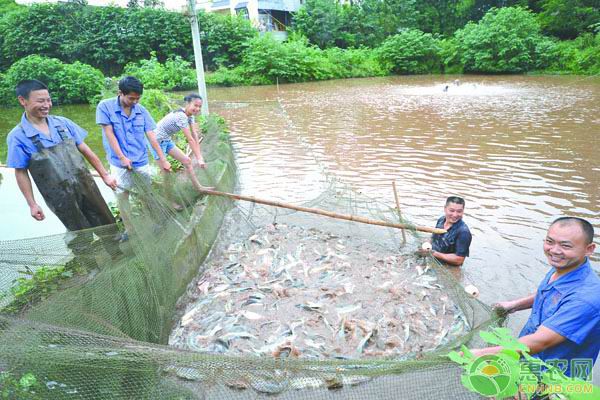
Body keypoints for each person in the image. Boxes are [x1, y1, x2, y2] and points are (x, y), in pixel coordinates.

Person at [471, 217, 599, 380]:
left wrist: (480, 354)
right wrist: (514, 305)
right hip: (529, 360)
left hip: (555, 377)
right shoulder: (563, 267)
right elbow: (549, 294)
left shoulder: (586, 298)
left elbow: (540, 342)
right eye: (550, 242)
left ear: (589, 249)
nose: (554, 250)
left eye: (565, 245)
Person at [6, 79, 117, 232]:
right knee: (79, 233)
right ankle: (88, 255)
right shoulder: (17, 136)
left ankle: (117, 253)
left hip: (86, 186)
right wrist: (32, 204)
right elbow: (20, 171)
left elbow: (86, 150)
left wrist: (105, 175)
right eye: (40, 101)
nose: (46, 105)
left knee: (106, 223)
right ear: (22, 100)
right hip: (59, 196)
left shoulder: (63, 124)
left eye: (48, 100)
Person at [96, 76, 171, 237]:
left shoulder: (141, 111)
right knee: (123, 196)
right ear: (120, 93)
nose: (135, 102)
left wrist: (163, 159)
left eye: (138, 98)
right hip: (118, 163)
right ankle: (129, 230)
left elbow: (152, 136)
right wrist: (122, 157)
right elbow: (109, 134)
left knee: (146, 192)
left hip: (141, 160)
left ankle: (155, 223)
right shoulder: (105, 107)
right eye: (131, 98)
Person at [152, 94, 212, 198]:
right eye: (195, 105)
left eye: (199, 107)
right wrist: (199, 158)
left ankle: (199, 188)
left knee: (187, 161)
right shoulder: (181, 116)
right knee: (166, 173)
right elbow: (190, 139)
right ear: (188, 103)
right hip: (157, 142)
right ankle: (169, 200)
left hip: (166, 140)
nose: (197, 109)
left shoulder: (190, 116)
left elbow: (194, 135)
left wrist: (200, 158)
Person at [422, 196, 472, 267]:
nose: (455, 215)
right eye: (451, 210)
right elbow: (433, 237)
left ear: (463, 211)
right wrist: (427, 244)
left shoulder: (464, 232)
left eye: (459, 211)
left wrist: (433, 253)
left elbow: (459, 260)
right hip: (432, 257)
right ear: (445, 209)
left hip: (447, 267)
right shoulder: (441, 220)